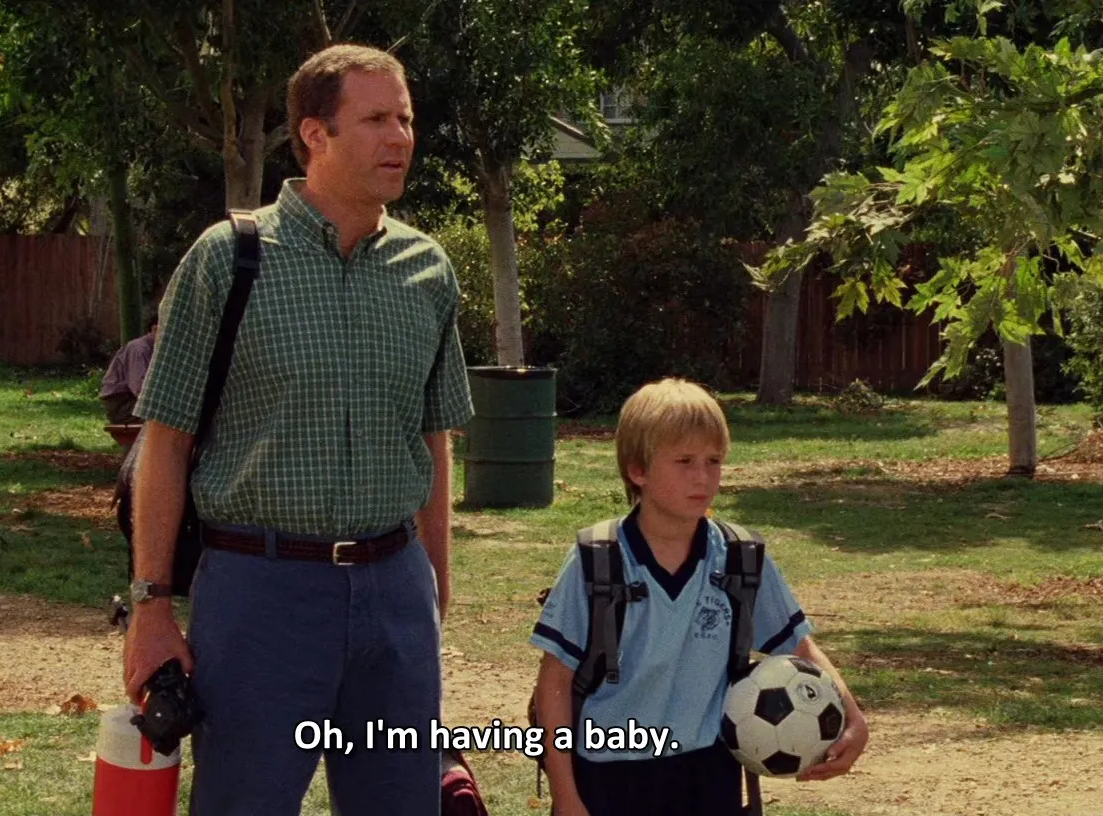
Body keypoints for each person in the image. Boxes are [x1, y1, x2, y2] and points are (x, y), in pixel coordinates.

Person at [122, 44, 473, 816]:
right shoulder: (228, 261)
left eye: (406, 119)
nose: (401, 138)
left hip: (395, 590)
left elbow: (433, 437)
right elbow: (165, 441)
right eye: (376, 120)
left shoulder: (427, 271)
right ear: (315, 134)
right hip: (261, 592)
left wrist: (432, 586)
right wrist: (150, 606)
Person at [528, 378, 870, 816]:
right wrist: (565, 796)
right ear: (638, 470)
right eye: (684, 461)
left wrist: (854, 718)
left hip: (709, 774)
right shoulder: (598, 561)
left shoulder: (741, 559)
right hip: (609, 776)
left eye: (714, 461)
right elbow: (554, 683)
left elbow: (799, 647)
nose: (703, 477)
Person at [100, 315, 158, 425]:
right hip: (122, 405)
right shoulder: (139, 349)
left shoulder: (156, 350)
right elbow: (139, 388)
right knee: (168, 417)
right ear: (155, 329)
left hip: (137, 402)